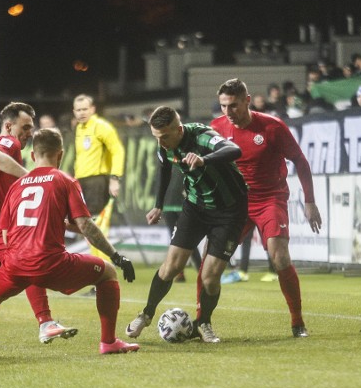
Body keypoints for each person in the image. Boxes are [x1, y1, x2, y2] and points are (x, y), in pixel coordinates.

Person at [0, 128, 140, 356]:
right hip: (52, 264)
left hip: (15, 264)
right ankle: (108, 342)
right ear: (60, 154)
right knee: (107, 271)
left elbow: (7, 234)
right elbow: (86, 225)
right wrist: (117, 256)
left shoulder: (16, 186)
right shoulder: (64, 180)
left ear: (32, 156)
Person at [125, 106, 248, 343]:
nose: (161, 142)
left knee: (210, 277)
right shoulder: (164, 146)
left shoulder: (202, 136)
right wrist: (158, 205)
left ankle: (204, 323)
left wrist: (204, 159)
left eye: (165, 137)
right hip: (195, 208)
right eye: (156, 137)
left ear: (179, 129)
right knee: (171, 266)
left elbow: (235, 149)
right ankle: (146, 314)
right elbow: (164, 170)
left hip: (230, 210)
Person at [211, 78, 322, 338]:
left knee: (280, 256)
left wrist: (310, 201)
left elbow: (300, 161)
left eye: (234, 105)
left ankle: (297, 321)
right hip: (236, 202)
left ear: (247, 101)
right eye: (223, 106)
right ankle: (201, 321)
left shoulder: (272, 127)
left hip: (270, 199)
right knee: (211, 261)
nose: (229, 112)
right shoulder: (216, 127)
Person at [0, 102, 75, 345]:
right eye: (25, 127)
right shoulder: (8, 143)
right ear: (9, 126)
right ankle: (45, 323)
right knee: (27, 261)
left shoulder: (10, 146)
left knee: (11, 273)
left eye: (31, 128)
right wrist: (30, 177)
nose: (29, 133)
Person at [72, 94, 125, 261]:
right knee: (87, 227)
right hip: (82, 182)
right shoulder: (80, 128)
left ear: (93, 109)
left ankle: (103, 269)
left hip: (97, 180)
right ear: (74, 112)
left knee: (97, 227)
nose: (81, 113)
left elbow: (118, 151)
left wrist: (115, 178)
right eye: (78, 110)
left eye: (85, 109)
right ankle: (98, 268)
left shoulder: (101, 126)